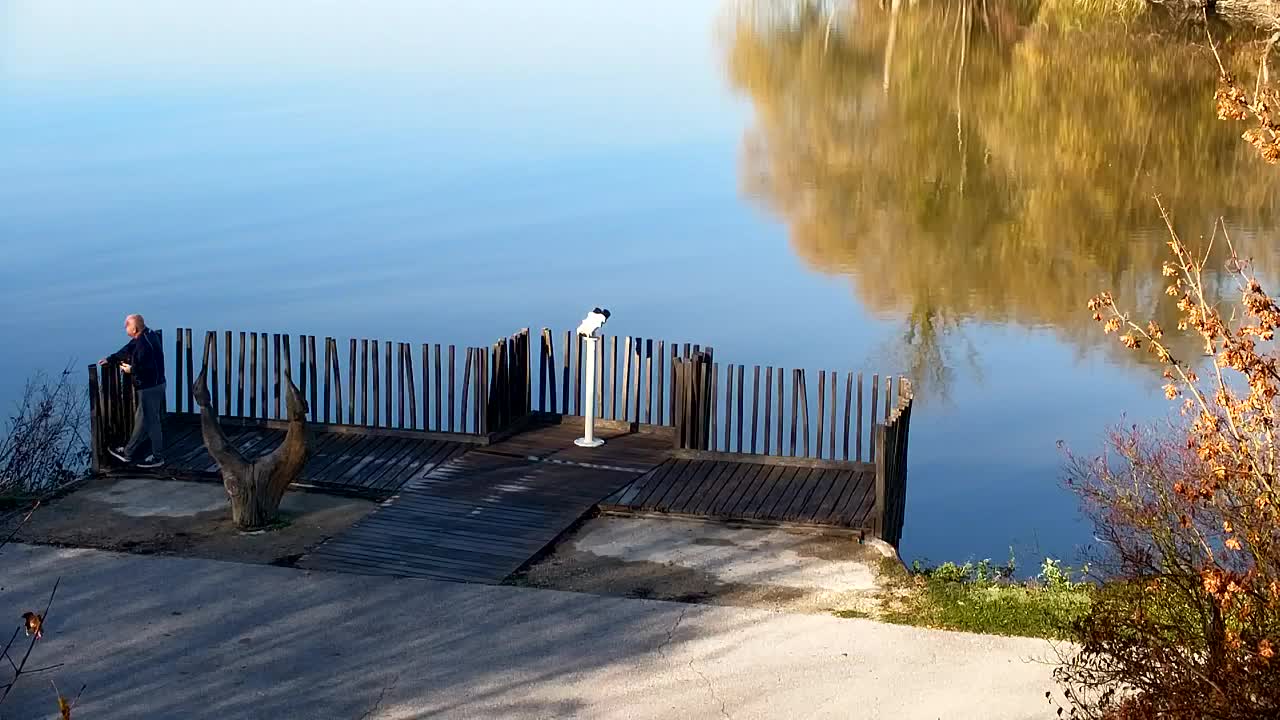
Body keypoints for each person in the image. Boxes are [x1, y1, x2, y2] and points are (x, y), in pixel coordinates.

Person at [99, 314, 166, 468]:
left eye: (126, 325)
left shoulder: (144, 344)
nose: (125, 328)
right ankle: (128, 453)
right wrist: (111, 358)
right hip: (152, 386)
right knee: (141, 419)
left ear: (135, 328)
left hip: (150, 388)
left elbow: (147, 367)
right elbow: (128, 348)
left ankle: (158, 457)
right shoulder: (145, 336)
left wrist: (131, 369)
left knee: (152, 422)